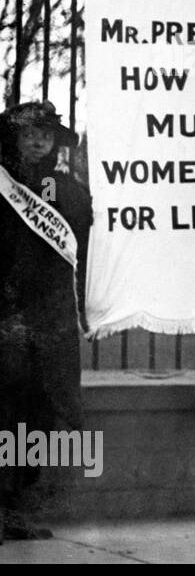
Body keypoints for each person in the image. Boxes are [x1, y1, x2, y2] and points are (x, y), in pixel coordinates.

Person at [0, 101, 91, 542]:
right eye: (28, 133)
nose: (37, 141)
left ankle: (16, 508)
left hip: (48, 322)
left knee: (36, 416)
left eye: (46, 134)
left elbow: (87, 244)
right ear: (12, 137)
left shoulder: (68, 190)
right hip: (4, 318)